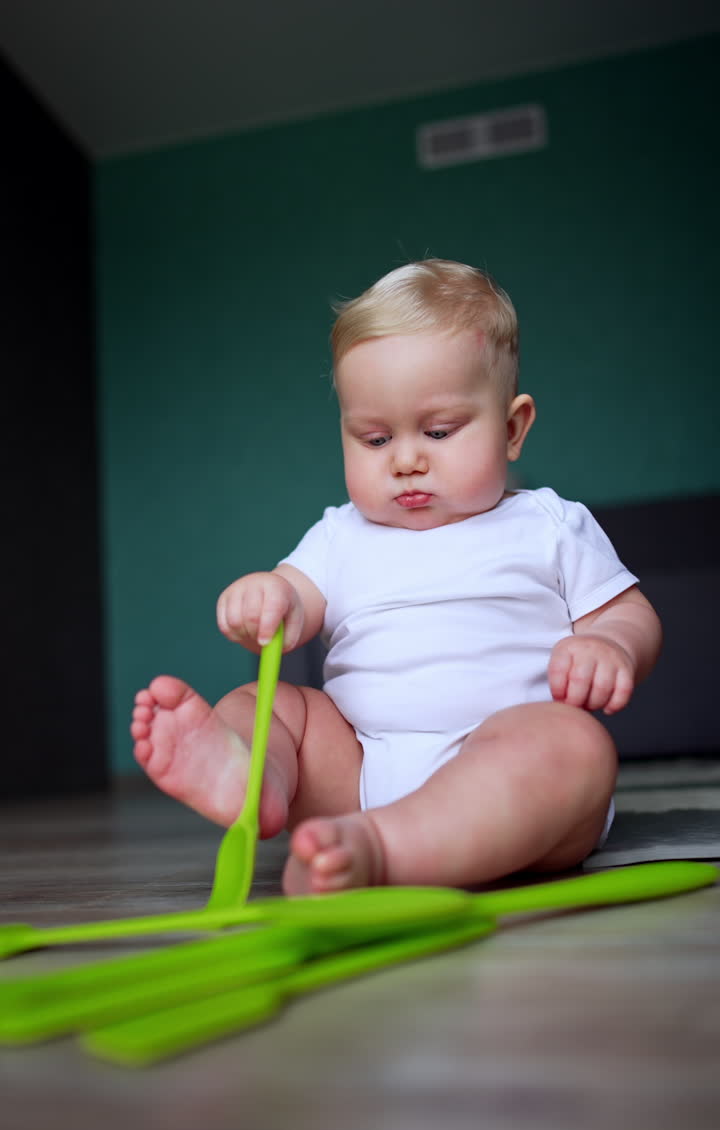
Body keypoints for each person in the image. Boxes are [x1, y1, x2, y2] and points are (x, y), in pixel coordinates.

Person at [132, 259, 662, 895]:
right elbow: (294, 602)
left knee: (574, 745)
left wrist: (610, 645)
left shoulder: (548, 524)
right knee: (274, 707)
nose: (407, 460)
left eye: (439, 431)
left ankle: (383, 850)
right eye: (375, 439)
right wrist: (268, 596)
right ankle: (254, 780)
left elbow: (628, 614)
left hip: (503, 773)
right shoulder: (340, 532)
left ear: (513, 428)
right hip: (356, 773)